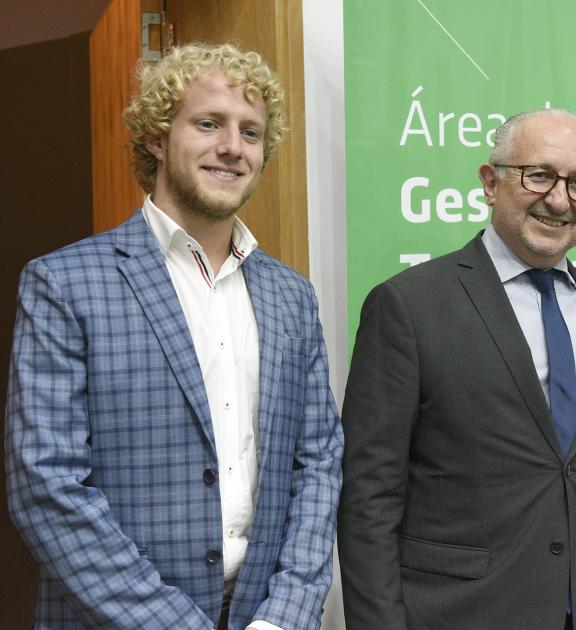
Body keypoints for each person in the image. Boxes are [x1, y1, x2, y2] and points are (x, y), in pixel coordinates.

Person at [5, 43, 343, 630]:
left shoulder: (292, 295)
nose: (233, 147)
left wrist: (284, 616)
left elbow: (318, 464)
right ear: (157, 138)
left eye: (251, 132)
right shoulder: (64, 283)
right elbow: (46, 485)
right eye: (208, 123)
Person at [337, 109, 576, 630]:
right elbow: (368, 498)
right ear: (491, 183)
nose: (559, 199)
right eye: (538, 175)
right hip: (456, 615)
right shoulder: (409, 305)